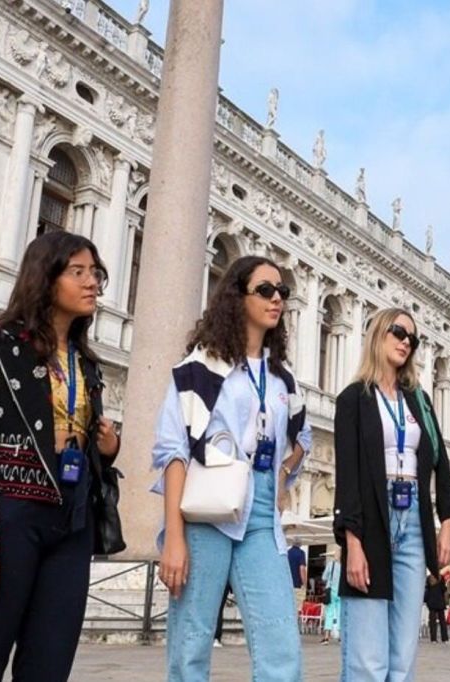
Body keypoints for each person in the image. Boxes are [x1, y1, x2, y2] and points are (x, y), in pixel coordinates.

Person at [0, 232, 120, 682]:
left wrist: (107, 449)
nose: (92, 283)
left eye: (95, 273)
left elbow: (79, 444)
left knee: (49, 666)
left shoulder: (87, 364)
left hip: (71, 526)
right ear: (46, 278)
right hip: (9, 522)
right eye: (78, 272)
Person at [151, 255, 312, 682]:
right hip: (207, 510)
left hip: (260, 514)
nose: (277, 299)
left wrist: (280, 478)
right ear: (236, 297)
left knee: (282, 643)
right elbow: (174, 449)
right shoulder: (201, 366)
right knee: (192, 642)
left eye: (282, 292)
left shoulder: (283, 379)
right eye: (265, 290)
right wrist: (173, 537)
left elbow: (302, 439)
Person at [333, 307, 450, 681]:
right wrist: (352, 542)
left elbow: (441, 460)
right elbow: (349, 476)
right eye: (398, 332)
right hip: (373, 517)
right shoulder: (353, 399)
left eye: (413, 338)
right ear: (377, 334)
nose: (406, 341)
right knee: (368, 658)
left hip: (414, 522)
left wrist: (447, 523)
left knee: (403, 655)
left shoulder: (418, 401)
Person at [320, 549, 342, 645]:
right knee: (340, 613)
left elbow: (324, 577)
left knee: (329, 613)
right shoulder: (344, 565)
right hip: (341, 592)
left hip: (331, 592)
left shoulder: (331, 564)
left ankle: (326, 638)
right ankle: (341, 637)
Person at [424, 574, 449, 644]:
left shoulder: (429, 578)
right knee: (442, 621)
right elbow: (443, 589)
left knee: (432, 622)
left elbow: (427, 589)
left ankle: (433, 639)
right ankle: (445, 639)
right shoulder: (441, 577)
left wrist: (426, 600)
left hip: (431, 602)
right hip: (440, 601)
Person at [288, 540, 308, 610]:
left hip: (287, 585)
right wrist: (305, 584)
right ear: (300, 544)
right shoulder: (301, 553)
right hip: (297, 585)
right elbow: (302, 569)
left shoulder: (287, 553)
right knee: (297, 608)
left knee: (288, 607)